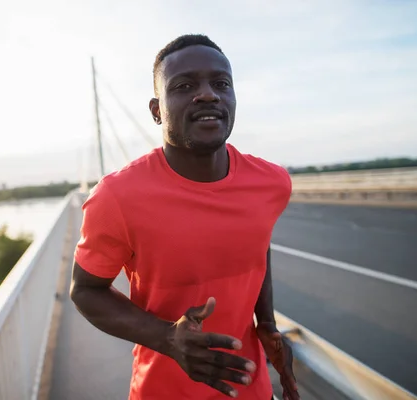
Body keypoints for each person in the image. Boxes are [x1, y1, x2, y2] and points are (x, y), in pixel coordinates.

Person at [70, 34, 300, 400]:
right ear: (156, 109)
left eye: (221, 83)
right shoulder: (116, 197)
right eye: (184, 85)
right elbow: (85, 291)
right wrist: (165, 338)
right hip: (161, 391)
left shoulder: (272, 182)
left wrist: (267, 323)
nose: (208, 94)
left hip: (251, 388)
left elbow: (259, 245)